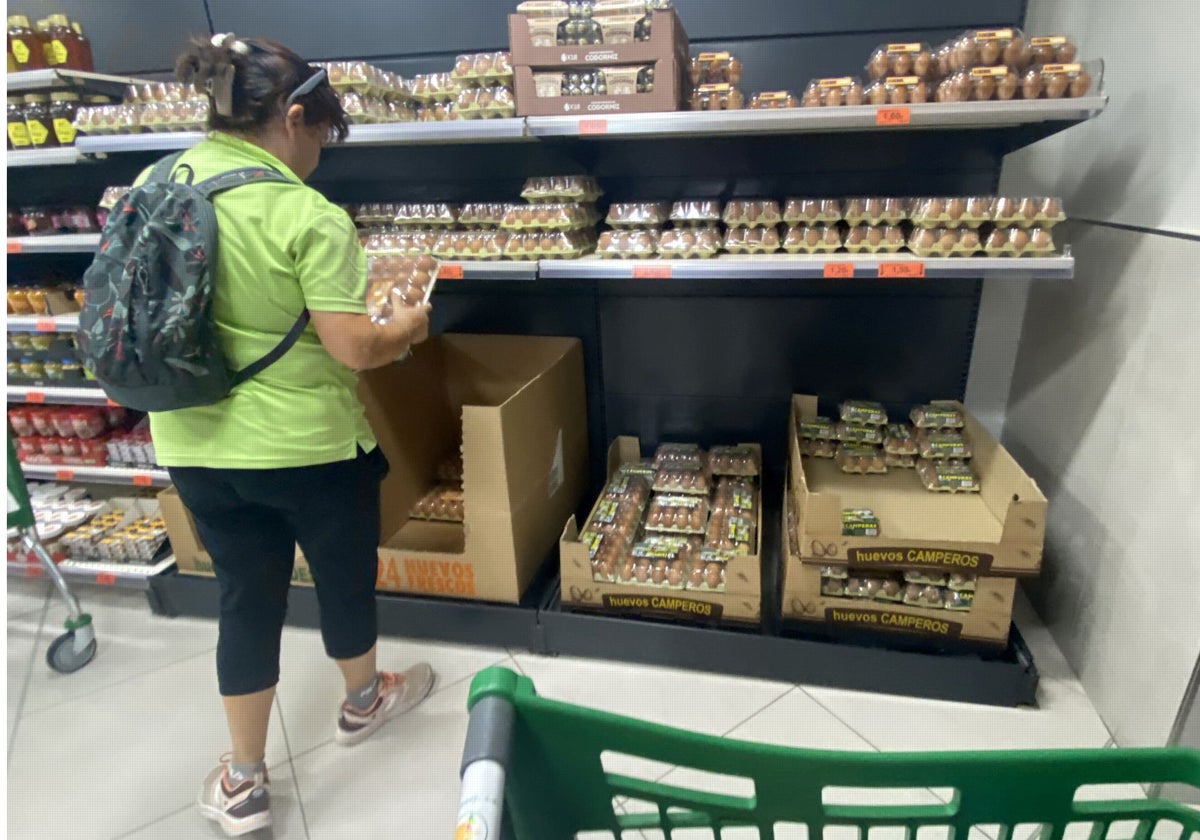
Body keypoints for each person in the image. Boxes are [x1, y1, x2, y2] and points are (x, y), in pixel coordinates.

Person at [148, 33, 436, 837]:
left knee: (245, 595)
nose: (317, 156)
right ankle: (364, 699)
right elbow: (354, 347)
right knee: (343, 575)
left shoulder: (157, 181)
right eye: (319, 137)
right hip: (306, 445)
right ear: (296, 117)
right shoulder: (305, 213)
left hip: (191, 441)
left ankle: (242, 779)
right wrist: (408, 326)